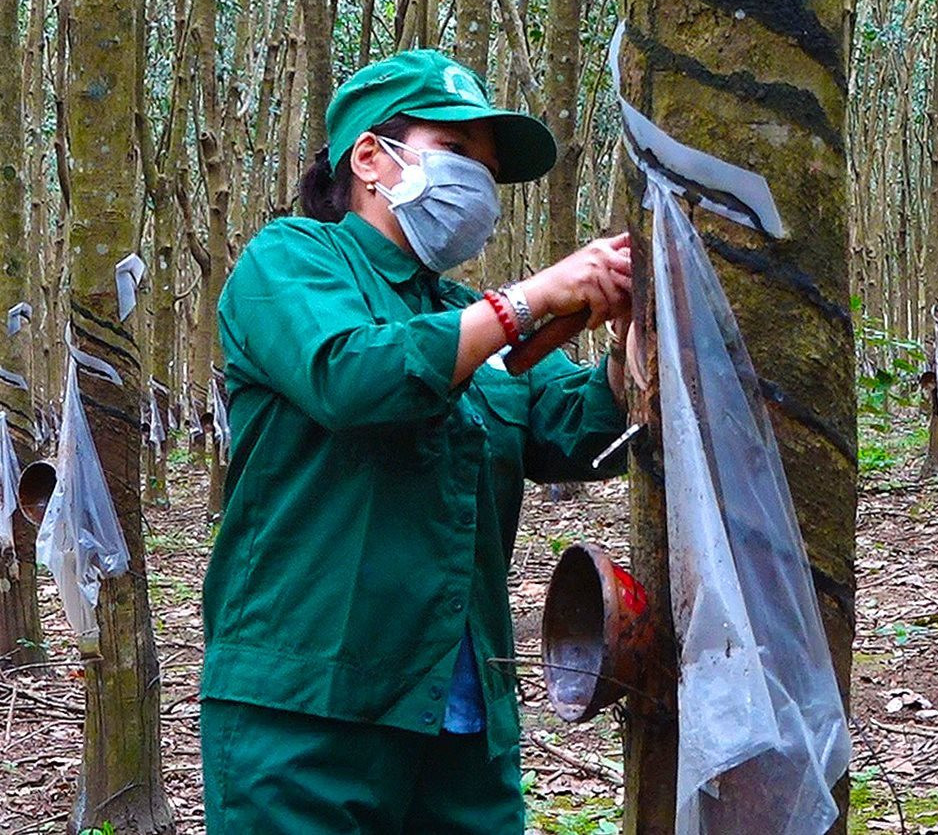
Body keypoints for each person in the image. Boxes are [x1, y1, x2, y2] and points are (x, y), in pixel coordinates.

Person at [199, 50, 640, 833]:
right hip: (308, 719)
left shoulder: (463, 308)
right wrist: (530, 299)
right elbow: (352, 376)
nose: (477, 184)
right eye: (459, 153)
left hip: (463, 726)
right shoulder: (289, 261)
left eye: (489, 171)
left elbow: (574, 424)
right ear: (371, 157)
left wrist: (625, 343)